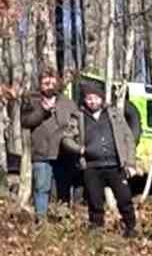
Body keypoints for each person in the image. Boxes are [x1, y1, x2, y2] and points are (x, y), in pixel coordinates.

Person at [73, 81, 140, 236]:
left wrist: (130, 163)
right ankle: (96, 228)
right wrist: (78, 149)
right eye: (89, 98)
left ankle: (131, 227)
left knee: (124, 198)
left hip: (115, 165)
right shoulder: (79, 117)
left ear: (101, 99)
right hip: (92, 166)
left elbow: (128, 138)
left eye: (95, 98)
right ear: (84, 100)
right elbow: (68, 137)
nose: (92, 101)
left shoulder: (114, 114)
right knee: (94, 200)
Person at [20, 71, 80, 218]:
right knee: (42, 188)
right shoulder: (32, 100)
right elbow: (26, 122)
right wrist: (43, 110)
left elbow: (77, 120)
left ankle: (62, 219)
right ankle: (41, 221)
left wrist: (74, 134)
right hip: (42, 153)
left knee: (63, 189)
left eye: (53, 83)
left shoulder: (67, 102)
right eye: (46, 83)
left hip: (64, 153)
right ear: (40, 84)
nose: (50, 87)